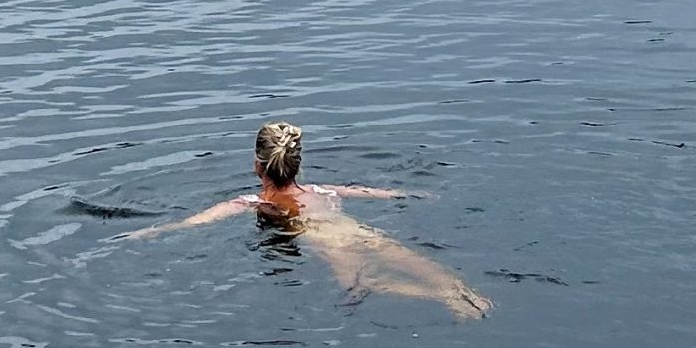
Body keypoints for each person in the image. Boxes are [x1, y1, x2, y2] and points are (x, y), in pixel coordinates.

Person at [123, 121, 491, 319]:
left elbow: (196, 222)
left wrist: (149, 231)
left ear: (257, 166)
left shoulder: (249, 201)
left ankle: (437, 298)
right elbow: (373, 192)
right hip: (361, 234)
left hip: (329, 246)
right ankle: (458, 293)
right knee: (422, 264)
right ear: (297, 164)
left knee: (364, 286)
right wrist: (413, 194)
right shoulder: (325, 190)